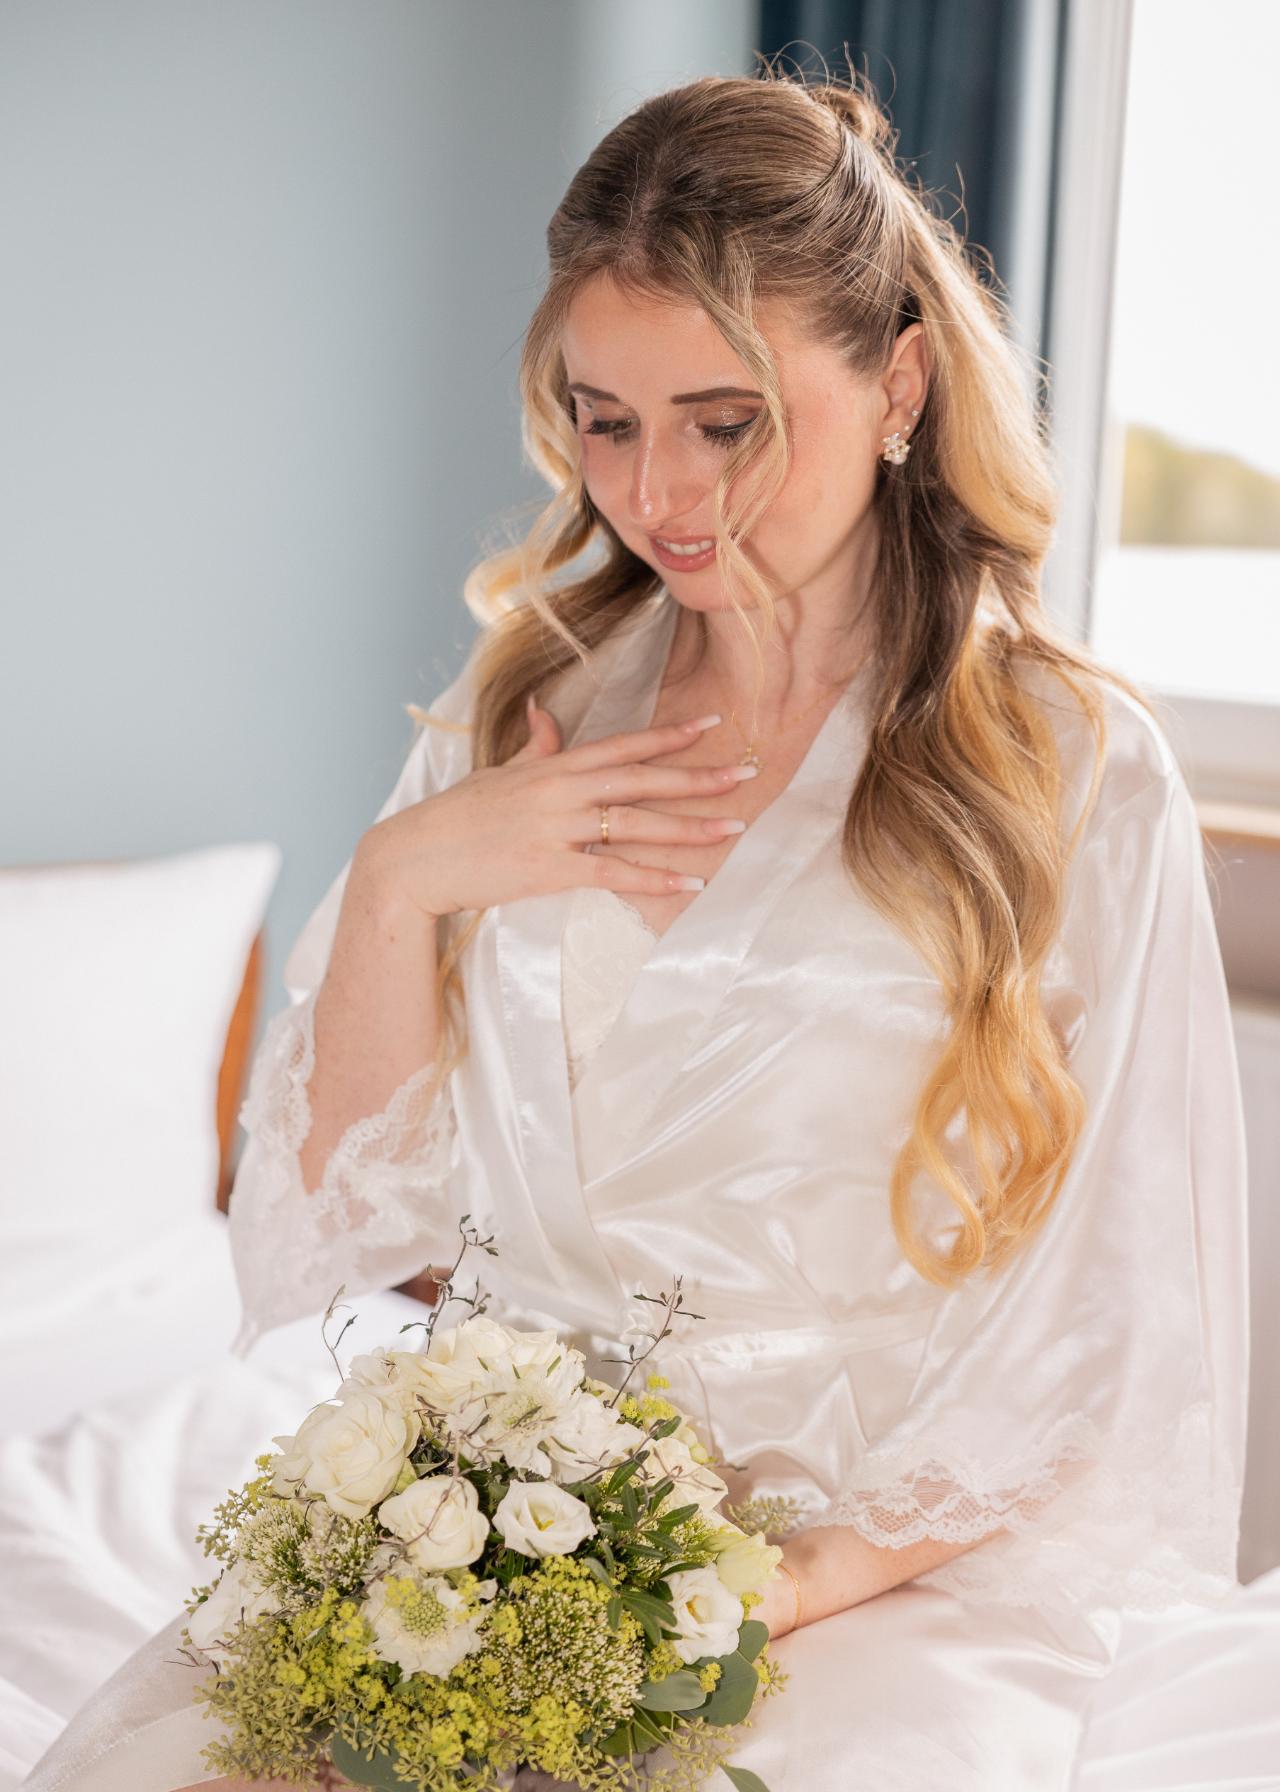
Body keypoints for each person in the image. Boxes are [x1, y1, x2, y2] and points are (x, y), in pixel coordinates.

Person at [20, 66, 1251, 1792]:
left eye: (725, 421)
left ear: (898, 380)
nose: (657, 491)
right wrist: (409, 880)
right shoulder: (528, 699)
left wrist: (739, 1589)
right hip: (490, 1528)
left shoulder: (1066, 769)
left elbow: (1106, 1322)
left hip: (866, 1569)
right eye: (604, 417)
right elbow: (339, 1222)